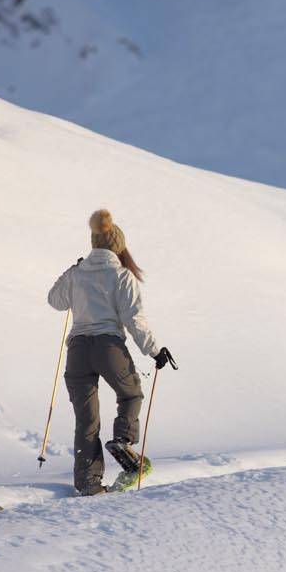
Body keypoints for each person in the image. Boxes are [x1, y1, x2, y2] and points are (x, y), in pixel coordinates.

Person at [47, 209, 173, 495]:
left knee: (86, 419)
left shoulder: (77, 273)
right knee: (131, 394)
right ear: (118, 246)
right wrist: (155, 351)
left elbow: (54, 300)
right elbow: (133, 320)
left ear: (93, 243)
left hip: (78, 350)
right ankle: (123, 441)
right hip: (108, 346)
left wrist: (71, 271)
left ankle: (88, 483)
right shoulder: (121, 276)